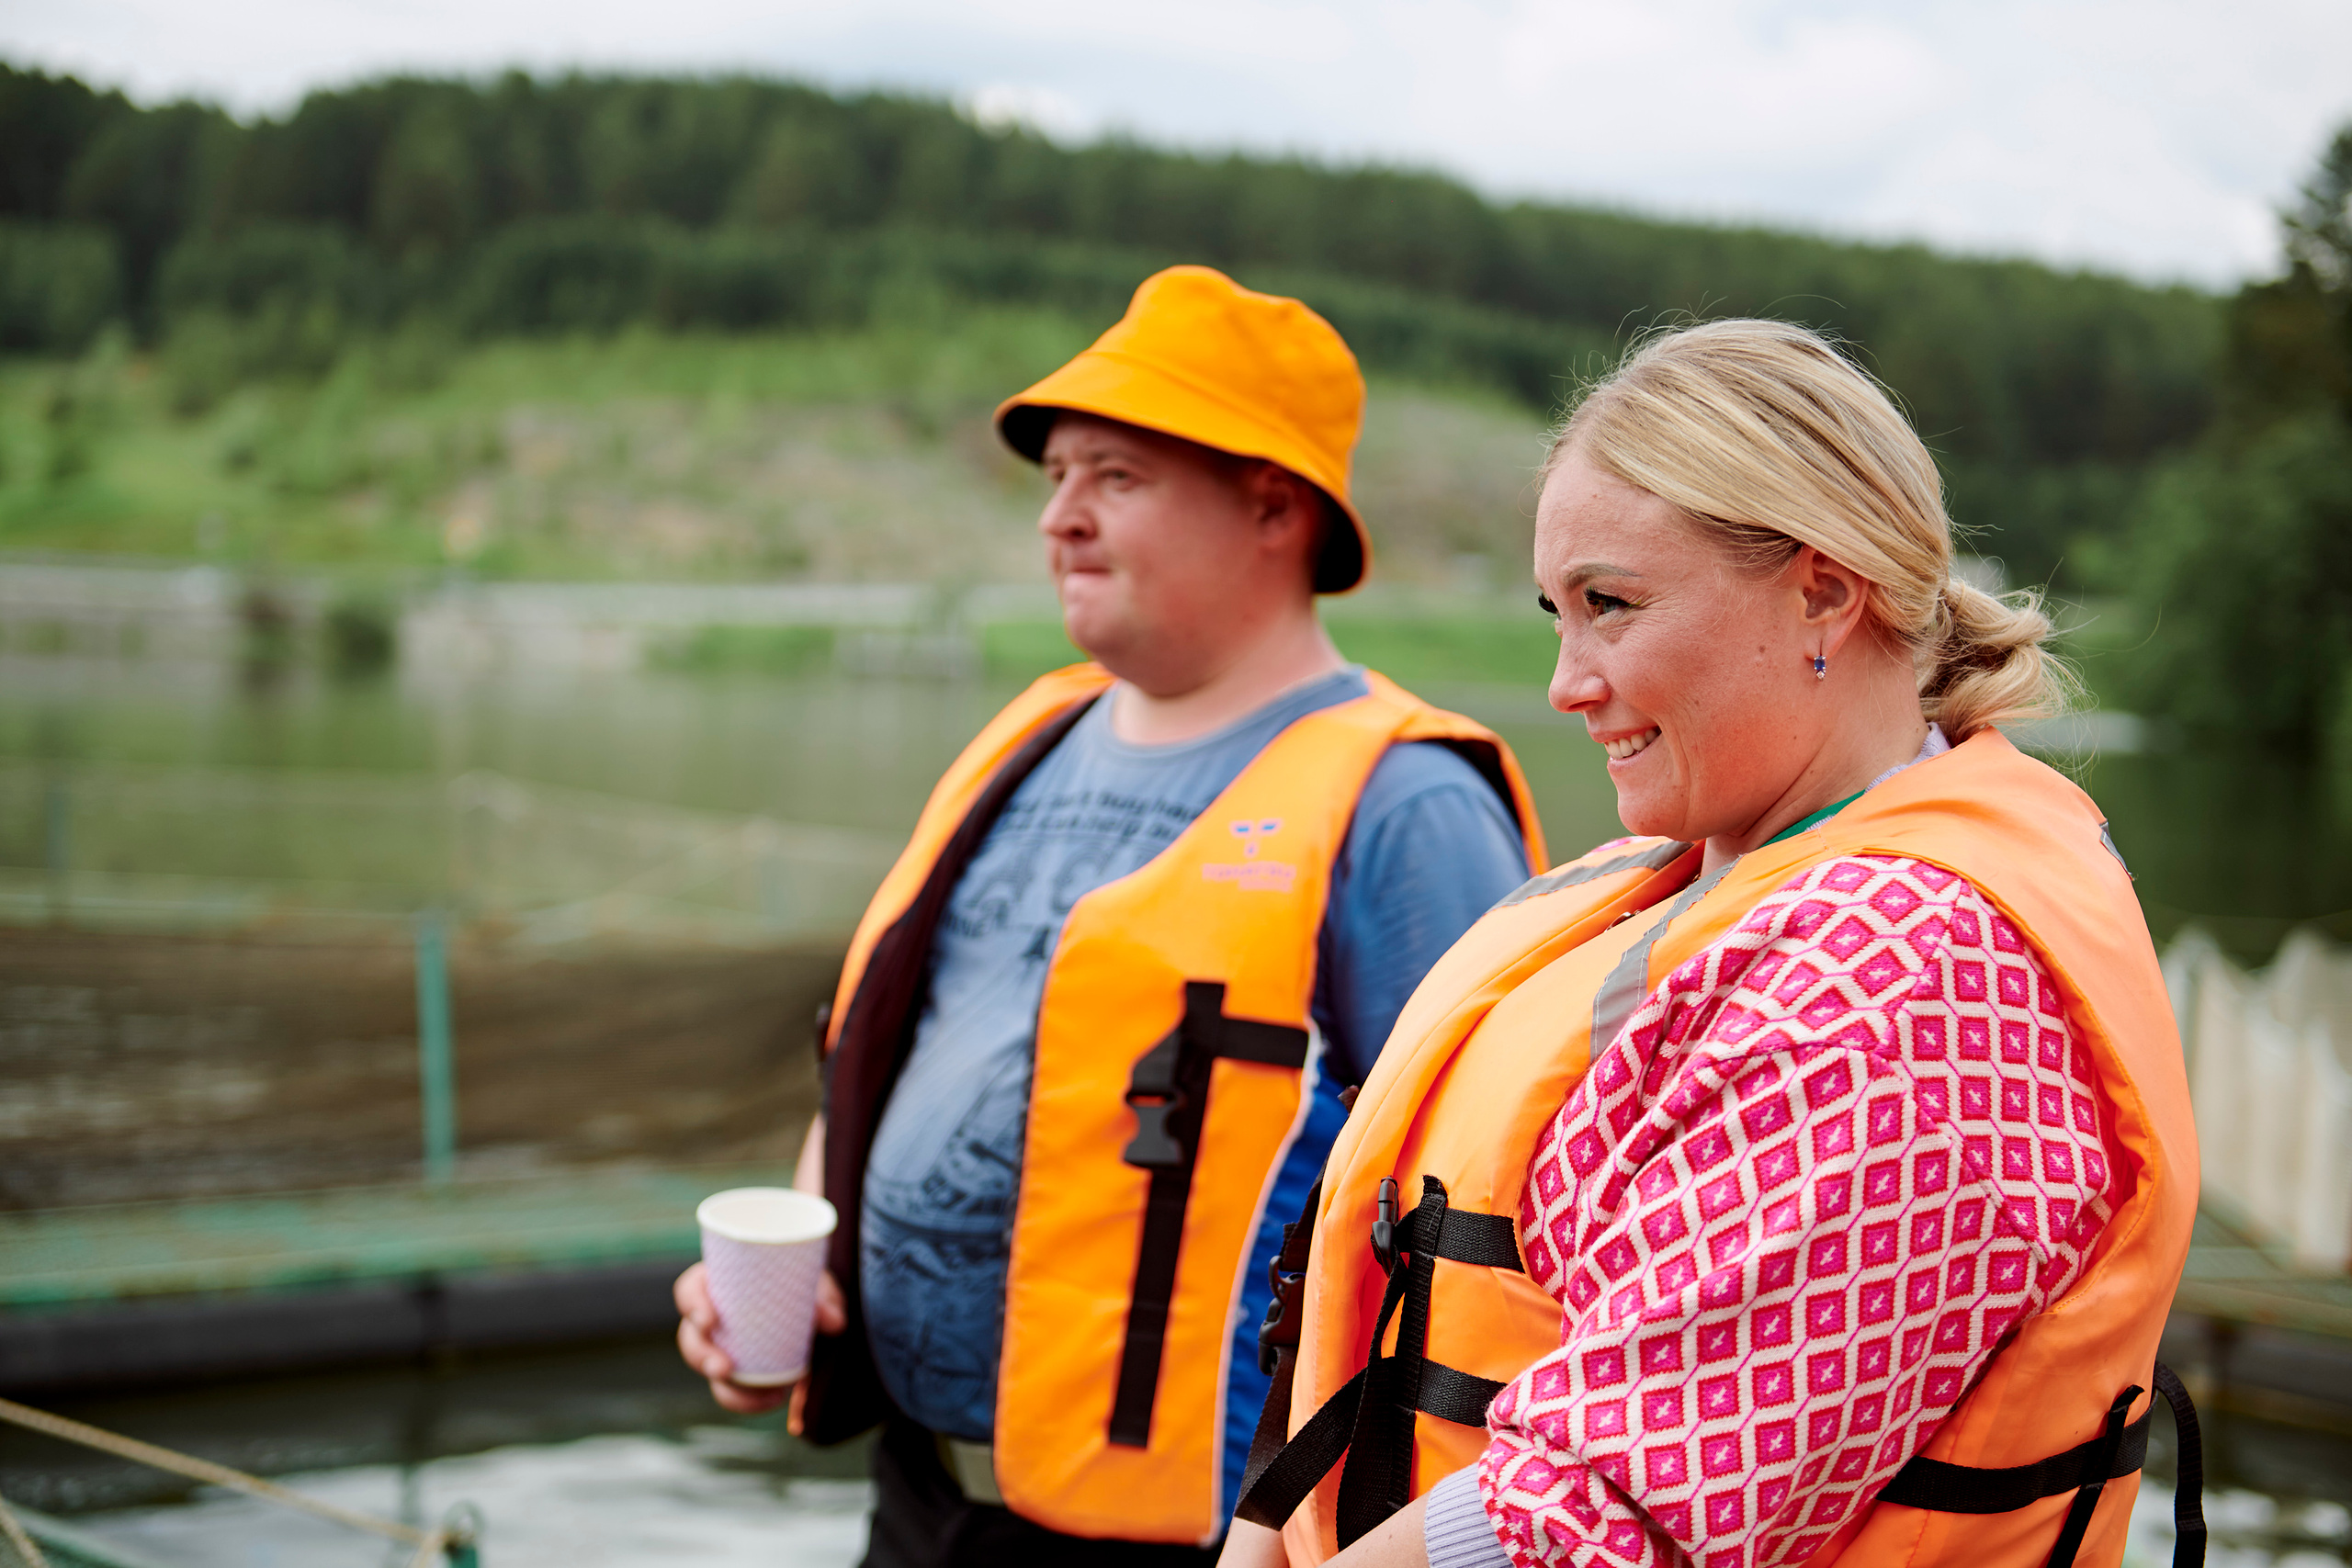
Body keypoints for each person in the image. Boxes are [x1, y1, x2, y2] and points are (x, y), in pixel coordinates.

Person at [1222, 319, 2199, 1568]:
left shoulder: (1907, 979)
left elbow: (1606, 1519)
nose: (1568, 679)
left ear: (1825, 592)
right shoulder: (1689, 881)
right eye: (1557, 613)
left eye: (1611, 606)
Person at [675, 265, 1549, 1566]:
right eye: (1056, 479)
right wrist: (793, 1285)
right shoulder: (1026, 736)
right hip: (921, 1504)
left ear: (1275, 507)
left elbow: (1494, 1224)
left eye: (1117, 480)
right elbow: (883, 1050)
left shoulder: (1404, 803)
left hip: (1195, 1539)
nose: (1062, 521)